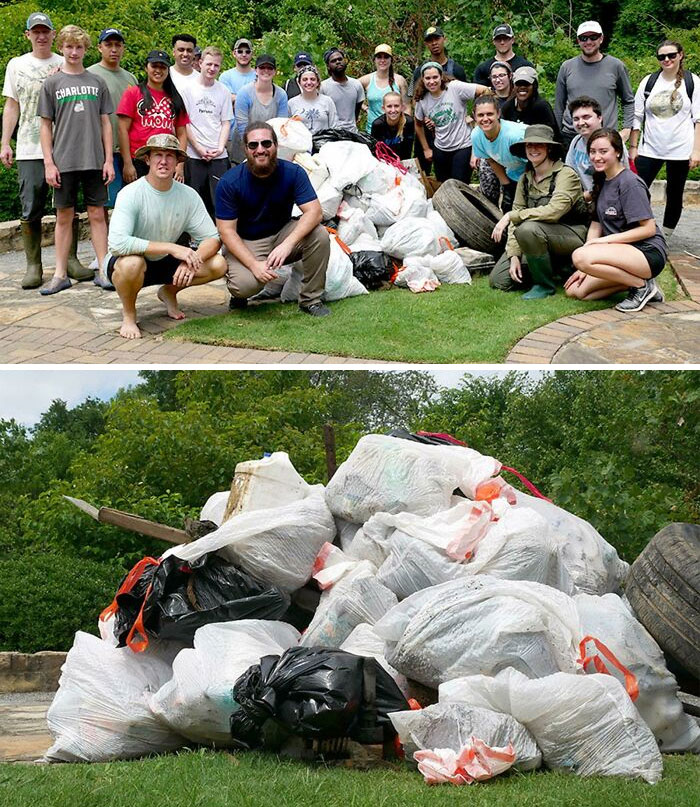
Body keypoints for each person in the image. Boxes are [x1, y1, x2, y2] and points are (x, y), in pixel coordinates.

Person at [1, 12, 91, 289]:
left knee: (67, 205)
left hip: (65, 147)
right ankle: (33, 265)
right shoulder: (17, 65)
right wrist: (5, 142)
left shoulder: (67, 61)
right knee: (31, 206)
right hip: (29, 146)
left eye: (46, 31)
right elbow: (12, 105)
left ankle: (72, 260)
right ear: (28, 35)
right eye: (35, 31)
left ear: (54, 35)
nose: (41, 36)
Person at [107, 133, 226, 339]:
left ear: (178, 162)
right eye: (158, 155)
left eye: (170, 156)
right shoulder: (131, 193)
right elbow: (117, 243)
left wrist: (189, 262)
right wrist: (172, 248)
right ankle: (129, 314)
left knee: (218, 264)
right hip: (130, 262)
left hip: (166, 263)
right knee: (131, 264)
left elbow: (212, 238)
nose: (163, 161)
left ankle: (169, 292)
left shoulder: (188, 195)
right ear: (148, 159)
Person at [215, 121, 331, 317]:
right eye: (253, 145)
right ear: (245, 149)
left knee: (319, 235)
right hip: (247, 241)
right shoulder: (229, 182)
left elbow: (314, 212)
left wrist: (288, 244)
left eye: (266, 144)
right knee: (244, 286)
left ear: (276, 146)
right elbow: (226, 231)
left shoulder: (293, 172)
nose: (260, 150)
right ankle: (239, 293)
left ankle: (311, 299)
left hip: (281, 234)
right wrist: (253, 265)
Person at [37, 24, 114, 295]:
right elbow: (45, 126)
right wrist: (49, 162)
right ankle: (60, 274)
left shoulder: (97, 82)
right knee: (63, 216)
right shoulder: (52, 82)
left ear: (86, 49)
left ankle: (104, 269)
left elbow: (106, 123)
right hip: (64, 160)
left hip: (94, 159)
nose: (73, 52)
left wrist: (108, 160)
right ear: (62, 48)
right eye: (69, 46)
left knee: (97, 214)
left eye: (79, 47)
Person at [565, 127, 667, 311]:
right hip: (621, 254)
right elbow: (596, 225)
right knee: (576, 291)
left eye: (604, 151)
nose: (597, 157)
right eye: (593, 152)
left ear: (618, 152)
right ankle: (641, 284)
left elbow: (648, 229)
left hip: (647, 252)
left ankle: (642, 287)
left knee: (579, 256)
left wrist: (600, 245)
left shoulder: (629, 182)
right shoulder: (602, 181)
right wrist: (585, 267)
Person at [489, 124, 588, 298]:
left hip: (571, 235)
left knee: (528, 229)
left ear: (549, 148)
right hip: (536, 238)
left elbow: (554, 211)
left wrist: (511, 216)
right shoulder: (525, 179)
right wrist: (514, 255)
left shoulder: (566, 174)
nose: (533, 149)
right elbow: (516, 218)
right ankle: (554, 267)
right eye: (529, 145)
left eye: (539, 144)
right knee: (499, 280)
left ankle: (544, 285)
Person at [630, 40, 700, 240]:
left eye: (671, 55)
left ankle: (665, 236)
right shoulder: (649, 81)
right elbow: (637, 116)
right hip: (649, 148)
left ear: (680, 55)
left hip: (680, 149)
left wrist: (696, 151)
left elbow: (698, 119)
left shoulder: (692, 81)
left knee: (674, 194)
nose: (667, 60)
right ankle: (639, 229)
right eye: (662, 57)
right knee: (637, 189)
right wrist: (633, 146)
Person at [87, 27, 137, 284]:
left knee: (122, 204)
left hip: (126, 150)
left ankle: (117, 250)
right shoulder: (90, 74)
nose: (114, 49)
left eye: (118, 44)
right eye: (109, 44)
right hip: (99, 151)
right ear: (100, 47)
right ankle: (102, 252)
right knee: (101, 204)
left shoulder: (130, 77)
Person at [554, 21, 634, 149]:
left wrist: (626, 129)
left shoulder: (616, 66)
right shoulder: (567, 67)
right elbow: (559, 105)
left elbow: (628, 100)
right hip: (571, 136)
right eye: (583, 38)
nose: (588, 42)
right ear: (578, 41)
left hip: (605, 136)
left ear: (601, 38)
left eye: (593, 37)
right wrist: (557, 134)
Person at [117, 50, 189, 183]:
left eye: (163, 67)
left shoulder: (175, 98)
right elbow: (122, 129)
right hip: (137, 158)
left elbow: (182, 133)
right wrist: (127, 163)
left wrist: (179, 165)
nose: (158, 70)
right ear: (146, 67)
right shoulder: (133, 93)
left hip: (165, 160)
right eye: (154, 66)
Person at [413, 63, 488, 184]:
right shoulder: (422, 98)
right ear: (422, 79)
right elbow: (418, 124)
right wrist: (426, 148)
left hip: (462, 145)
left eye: (435, 77)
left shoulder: (454, 88)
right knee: (444, 187)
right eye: (427, 78)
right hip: (440, 147)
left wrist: (476, 114)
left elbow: (485, 90)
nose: (432, 82)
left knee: (459, 186)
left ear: (441, 76)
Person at [181, 46, 233, 218]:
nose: (212, 69)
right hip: (194, 154)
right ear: (200, 63)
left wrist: (220, 147)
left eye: (216, 66)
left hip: (218, 155)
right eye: (209, 64)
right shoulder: (187, 90)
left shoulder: (223, 91)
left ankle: (220, 236)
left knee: (220, 199)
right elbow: (184, 123)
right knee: (195, 198)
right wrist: (198, 148)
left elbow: (226, 122)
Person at [565, 96, 629, 202]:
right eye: (576, 119)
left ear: (599, 118)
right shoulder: (576, 142)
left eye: (586, 117)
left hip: (611, 200)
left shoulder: (612, 141)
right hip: (585, 200)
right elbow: (569, 173)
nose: (580, 123)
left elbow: (621, 179)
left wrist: (582, 197)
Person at [471, 94, 528, 211]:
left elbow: (536, 163)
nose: (485, 119)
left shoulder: (514, 137)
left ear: (498, 114)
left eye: (490, 114)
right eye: (480, 115)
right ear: (474, 117)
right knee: (507, 207)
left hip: (534, 170)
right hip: (513, 172)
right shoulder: (476, 135)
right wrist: (507, 187)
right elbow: (491, 160)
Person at [476, 62, 515, 204]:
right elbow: (478, 127)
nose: (498, 79)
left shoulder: (519, 97)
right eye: (494, 77)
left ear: (510, 76)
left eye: (502, 75)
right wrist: (475, 154)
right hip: (491, 152)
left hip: (512, 152)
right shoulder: (486, 99)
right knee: (488, 192)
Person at [219, 38, 255, 163]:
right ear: (234, 53)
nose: (244, 54)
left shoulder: (258, 75)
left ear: (252, 54)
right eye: (240, 51)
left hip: (254, 135)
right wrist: (248, 99)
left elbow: (260, 100)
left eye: (247, 51)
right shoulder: (225, 76)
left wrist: (236, 98)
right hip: (229, 135)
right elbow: (226, 100)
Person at [234, 55, 289, 139]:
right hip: (244, 141)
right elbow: (242, 125)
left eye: (270, 68)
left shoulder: (281, 95)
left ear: (275, 72)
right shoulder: (244, 93)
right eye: (262, 67)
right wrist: (250, 146)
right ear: (256, 70)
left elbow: (281, 124)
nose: (266, 70)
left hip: (270, 142)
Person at [359, 45, 409, 134]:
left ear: (391, 60)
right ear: (374, 60)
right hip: (372, 131)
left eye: (386, 57)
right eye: (379, 57)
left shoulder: (400, 81)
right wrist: (365, 108)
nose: (382, 60)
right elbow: (350, 90)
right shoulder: (366, 80)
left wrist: (405, 128)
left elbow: (407, 106)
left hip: (395, 132)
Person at [501, 66, 560, 139]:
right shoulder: (507, 107)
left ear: (534, 86)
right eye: (518, 84)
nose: (522, 87)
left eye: (526, 84)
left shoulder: (542, 107)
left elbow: (553, 136)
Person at [408, 27, 467, 97]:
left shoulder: (457, 70)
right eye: (430, 41)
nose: (434, 43)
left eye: (437, 39)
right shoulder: (419, 72)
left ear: (444, 39)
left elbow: (465, 95)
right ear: (426, 44)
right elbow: (411, 96)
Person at [321, 48, 365, 133]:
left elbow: (357, 109)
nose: (338, 62)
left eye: (340, 59)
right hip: (332, 134)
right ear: (328, 66)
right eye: (333, 61)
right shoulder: (323, 87)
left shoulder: (356, 84)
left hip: (352, 133)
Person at [288, 65, 338, 134]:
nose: (309, 82)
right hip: (300, 143)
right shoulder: (291, 103)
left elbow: (334, 127)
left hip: (324, 143)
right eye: (305, 79)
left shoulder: (327, 101)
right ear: (299, 82)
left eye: (312, 79)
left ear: (318, 82)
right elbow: (288, 128)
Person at [371, 91, 415, 159]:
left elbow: (408, 149)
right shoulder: (377, 125)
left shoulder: (409, 122)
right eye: (389, 106)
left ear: (402, 107)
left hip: (402, 160)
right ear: (383, 108)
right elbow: (375, 150)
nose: (393, 110)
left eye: (396, 106)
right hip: (384, 161)